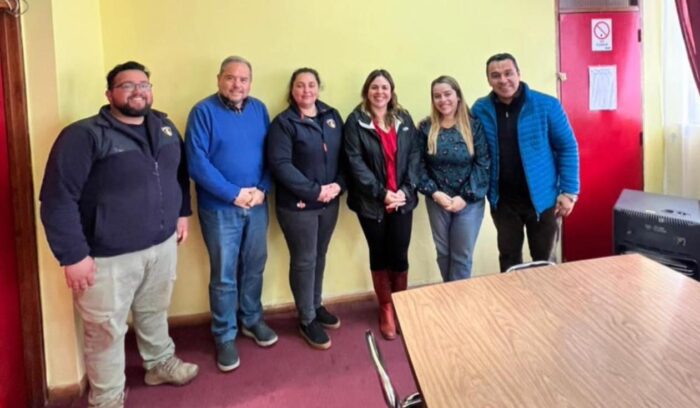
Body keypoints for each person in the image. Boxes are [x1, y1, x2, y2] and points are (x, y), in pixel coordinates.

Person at [39, 61, 198, 408]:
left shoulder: (165, 127)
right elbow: (57, 199)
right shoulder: (84, 135)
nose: (138, 90)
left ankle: (159, 363)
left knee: (155, 311)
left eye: (144, 84)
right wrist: (73, 256)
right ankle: (107, 398)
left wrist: (182, 212)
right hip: (106, 257)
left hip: (162, 245)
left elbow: (178, 175)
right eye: (127, 85)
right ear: (109, 94)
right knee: (105, 330)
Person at [185, 56, 277, 373]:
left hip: (257, 204)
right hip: (221, 208)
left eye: (243, 79)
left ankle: (251, 319)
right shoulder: (203, 112)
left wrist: (262, 188)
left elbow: (272, 155)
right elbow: (197, 163)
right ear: (219, 79)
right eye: (230, 78)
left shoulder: (259, 110)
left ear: (250, 82)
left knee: (254, 266)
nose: (237, 84)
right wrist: (233, 193)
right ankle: (224, 335)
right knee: (224, 275)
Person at [471, 53, 580, 272]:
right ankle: (514, 297)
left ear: (519, 74)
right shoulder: (480, 110)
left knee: (545, 262)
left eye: (508, 73)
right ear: (488, 80)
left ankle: (546, 296)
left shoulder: (547, 105)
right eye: (495, 75)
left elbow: (567, 147)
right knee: (509, 260)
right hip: (503, 202)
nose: (503, 80)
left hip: (544, 201)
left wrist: (569, 192)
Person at [267, 68, 345, 350]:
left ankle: (315, 304)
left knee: (320, 255)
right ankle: (306, 318)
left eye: (311, 85)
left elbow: (345, 156)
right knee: (304, 260)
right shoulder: (283, 123)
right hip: (298, 207)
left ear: (318, 88)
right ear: (292, 90)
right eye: (300, 85)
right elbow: (281, 165)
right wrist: (315, 191)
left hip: (329, 202)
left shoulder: (332, 116)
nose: (306, 90)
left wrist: (339, 185)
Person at [343, 69, 420, 340]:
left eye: (384, 87)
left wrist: (406, 190)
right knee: (379, 253)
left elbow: (414, 156)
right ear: (367, 91)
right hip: (371, 202)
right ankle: (386, 307)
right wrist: (381, 193)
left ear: (391, 91)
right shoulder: (356, 121)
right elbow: (354, 162)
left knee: (399, 254)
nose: (379, 92)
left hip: (402, 200)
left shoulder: (404, 118)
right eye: (374, 87)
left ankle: (400, 305)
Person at [417, 75, 490, 281]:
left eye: (447, 94)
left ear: (458, 96)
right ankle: (448, 293)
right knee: (443, 253)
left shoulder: (474, 126)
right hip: (437, 200)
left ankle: (458, 297)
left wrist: (465, 197)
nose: (443, 100)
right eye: (437, 96)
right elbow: (418, 165)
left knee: (461, 256)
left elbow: (483, 164)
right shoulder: (426, 128)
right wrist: (434, 193)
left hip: (469, 201)